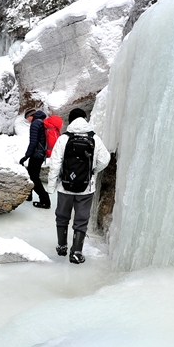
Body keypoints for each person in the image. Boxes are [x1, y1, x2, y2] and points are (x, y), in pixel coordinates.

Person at [47, 108, 110, 264]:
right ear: (85, 119)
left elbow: (55, 164)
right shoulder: (94, 138)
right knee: (81, 220)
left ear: (70, 120)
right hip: (86, 188)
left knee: (62, 217)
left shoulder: (64, 138)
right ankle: (76, 252)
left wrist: (51, 186)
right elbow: (105, 159)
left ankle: (62, 246)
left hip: (65, 187)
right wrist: (92, 172)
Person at [18, 108, 51, 209]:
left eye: (27, 118)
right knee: (31, 174)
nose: (28, 120)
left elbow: (33, 142)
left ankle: (45, 200)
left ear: (31, 116)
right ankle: (29, 195)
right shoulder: (42, 122)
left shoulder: (35, 123)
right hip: (41, 154)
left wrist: (26, 156)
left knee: (33, 177)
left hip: (37, 154)